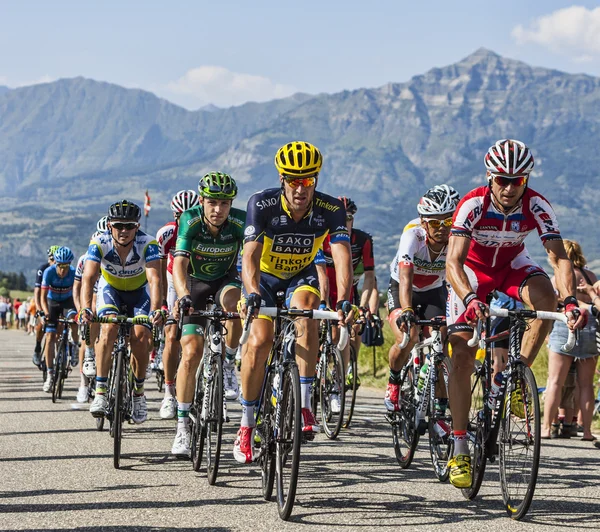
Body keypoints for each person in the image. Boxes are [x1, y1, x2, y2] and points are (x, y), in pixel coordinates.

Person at [445, 138, 587, 489]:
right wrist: (468, 299)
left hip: (511, 267)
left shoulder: (537, 205)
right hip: (473, 272)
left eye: (518, 180)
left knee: (546, 298)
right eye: (502, 179)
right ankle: (460, 445)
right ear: (490, 177)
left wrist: (569, 301)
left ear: (526, 180)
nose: (509, 188)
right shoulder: (472, 204)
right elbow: (453, 262)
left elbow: (559, 258)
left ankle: (515, 378)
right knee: (462, 352)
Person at [235, 140, 353, 464]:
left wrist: (343, 300)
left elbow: (342, 256)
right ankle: (246, 424)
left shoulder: (330, 209)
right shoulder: (263, 204)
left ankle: (303, 404)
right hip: (265, 278)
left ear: (316, 179)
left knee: (307, 314)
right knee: (259, 341)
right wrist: (253, 292)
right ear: (282, 179)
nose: (301, 188)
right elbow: (250, 255)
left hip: (301, 276)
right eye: (294, 180)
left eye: (309, 180)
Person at [171, 173, 245, 457]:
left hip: (226, 280)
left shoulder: (239, 222)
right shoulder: (189, 220)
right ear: (201, 200)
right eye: (212, 202)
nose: (218, 209)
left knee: (235, 307)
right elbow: (179, 263)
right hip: (195, 284)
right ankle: (182, 427)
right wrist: (182, 296)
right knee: (190, 354)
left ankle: (227, 363)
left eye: (224, 203)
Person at [79, 200, 163, 424]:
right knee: (108, 328)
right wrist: (86, 307)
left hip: (139, 293)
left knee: (141, 336)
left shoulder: (148, 243)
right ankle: (100, 391)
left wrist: (156, 310)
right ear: (109, 226)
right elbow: (88, 278)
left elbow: (155, 280)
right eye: (118, 225)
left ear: (137, 226)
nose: (124, 231)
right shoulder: (99, 242)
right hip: (111, 291)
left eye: (129, 226)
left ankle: (138, 393)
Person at [385, 185, 459, 417]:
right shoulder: (412, 236)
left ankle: (439, 412)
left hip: (433, 290)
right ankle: (394, 382)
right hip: (403, 288)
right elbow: (405, 277)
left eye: (448, 222)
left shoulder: (458, 239)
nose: (442, 229)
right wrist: (406, 309)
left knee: (441, 345)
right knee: (409, 337)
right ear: (424, 222)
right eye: (435, 223)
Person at [319, 196, 377, 411]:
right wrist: (323, 302)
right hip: (322, 290)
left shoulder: (362, 240)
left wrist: (365, 306)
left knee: (345, 334)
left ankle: (337, 383)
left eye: (349, 218)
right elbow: (320, 275)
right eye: (340, 217)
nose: (344, 222)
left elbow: (370, 277)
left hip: (347, 293)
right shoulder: (321, 238)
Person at [543, 240, 599, 441]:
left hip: (565, 325)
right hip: (589, 326)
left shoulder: (558, 277)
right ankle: (586, 431)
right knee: (586, 385)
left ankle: (547, 428)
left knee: (555, 382)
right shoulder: (589, 276)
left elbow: (551, 303)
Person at [155, 189, 200, 421]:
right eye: (181, 215)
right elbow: (160, 271)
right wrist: (163, 303)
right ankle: (169, 392)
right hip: (174, 279)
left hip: (200, 278)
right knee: (172, 333)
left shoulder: (203, 226)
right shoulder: (167, 234)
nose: (186, 219)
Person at [40, 247, 79, 393]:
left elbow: (78, 293)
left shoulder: (74, 273)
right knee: (50, 336)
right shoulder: (49, 272)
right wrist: (45, 313)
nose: (63, 269)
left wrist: (79, 312)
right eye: (60, 265)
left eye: (66, 266)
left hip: (69, 301)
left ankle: (74, 346)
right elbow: (43, 297)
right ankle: (50, 374)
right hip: (52, 302)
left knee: (74, 322)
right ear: (55, 263)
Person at [32, 246, 59, 365]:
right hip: (45, 300)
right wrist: (39, 310)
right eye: (52, 259)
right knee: (40, 325)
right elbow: (37, 293)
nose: (54, 262)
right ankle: (38, 347)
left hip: (58, 300)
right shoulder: (43, 269)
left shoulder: (63, 269)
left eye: (56, 259)